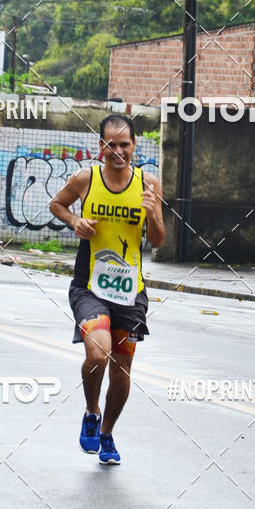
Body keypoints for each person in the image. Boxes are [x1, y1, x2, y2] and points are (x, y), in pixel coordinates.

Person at [49, 114, 165, 465]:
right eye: (110, 144)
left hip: (131, 291)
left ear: (134, 147)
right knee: (98, 354)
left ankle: (107, 433)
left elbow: (158, 239)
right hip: (90, 287)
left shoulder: (148, 184)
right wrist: (75, 221)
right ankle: (90, 411)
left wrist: (154, 215)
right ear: (100, 147)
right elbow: (56, 204)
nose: (117, 151)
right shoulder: (86, 178)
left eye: (124, 145)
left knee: (121, 369)